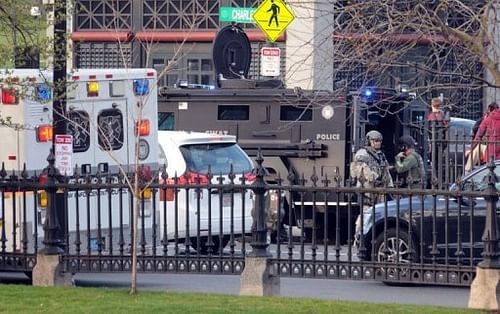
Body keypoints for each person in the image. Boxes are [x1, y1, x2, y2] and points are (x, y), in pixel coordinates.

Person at [350, 130, 393, 240]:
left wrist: (390, 186)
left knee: (380, 215)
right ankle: (359, 237)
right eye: (375, 141)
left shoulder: (381, 155)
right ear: (369, 141)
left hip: (380, 191)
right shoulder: (362, 154)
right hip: (367, 191)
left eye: (379, 141)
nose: (378, 143)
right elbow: (359, 171)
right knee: (365, 215)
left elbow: (386, 171)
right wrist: (374, 178)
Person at [465, 102, 499, 173]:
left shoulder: (487, 119)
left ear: (489, 110)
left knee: (490, 175)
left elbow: (478, 136)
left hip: (491, 151)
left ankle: (466, 174)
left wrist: (471, 149)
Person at [426, 97, 448, 185]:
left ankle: (434, 180)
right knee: (439, 161)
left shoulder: (430, 115)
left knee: (433, 161)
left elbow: (427, 129)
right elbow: (446, 126)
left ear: (432, 104)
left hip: (433, 140)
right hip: (441, 140)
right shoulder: (442, 114)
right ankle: (440, 180)